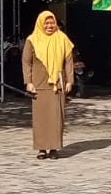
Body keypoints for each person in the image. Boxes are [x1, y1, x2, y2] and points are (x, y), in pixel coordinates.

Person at [23, 11, 74, 160]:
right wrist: (29, 82)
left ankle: (53, 148)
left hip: (58, 84)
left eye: (52, 22)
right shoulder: (32, 40)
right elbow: (26, 62)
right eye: (46, 23)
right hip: (39, 84)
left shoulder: (62, 38)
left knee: (56, 118)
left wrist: (69, 80)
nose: (49, 25)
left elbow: (68, 61)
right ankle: (41, 149)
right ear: (40, 23)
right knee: (41, 119)